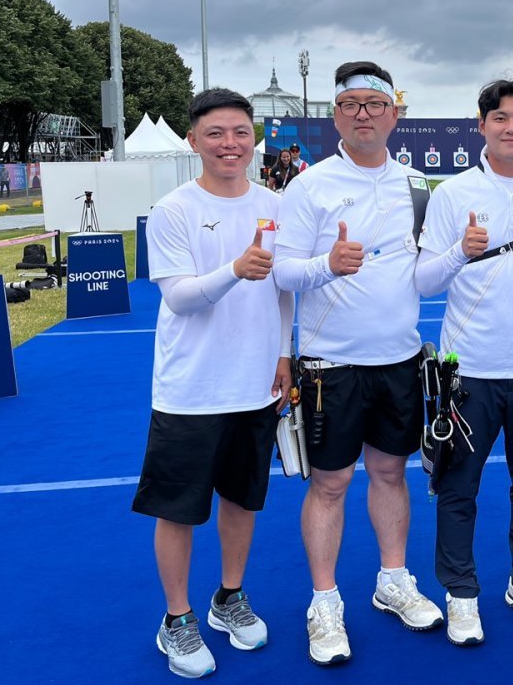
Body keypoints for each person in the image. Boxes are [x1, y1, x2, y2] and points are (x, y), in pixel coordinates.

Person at [274, 61, 443, 666]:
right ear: (336, 116)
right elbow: (283, 271)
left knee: (393, 474)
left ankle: (392, 579)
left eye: (375, 103)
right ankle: (324, 602)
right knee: (331, 482)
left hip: (399, 357)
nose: (364, 114)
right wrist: (329, 264)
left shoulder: (419, 185)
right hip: (331, 363)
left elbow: (423, 272)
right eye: (352, 106)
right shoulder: (309, 186)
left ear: (395, 113)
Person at [131, 88, 295, 679]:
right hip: (190, 390)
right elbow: (178, 296)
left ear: (255, 139)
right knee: (177, 509)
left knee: (242, 499)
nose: (231, 145)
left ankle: (228, 597)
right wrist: (233, 269)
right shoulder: (174, 209)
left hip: (255, 385)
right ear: (195, 140)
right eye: (216, 134)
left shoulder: (274, 202)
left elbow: (281, 292)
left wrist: (283, 354)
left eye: (241, 133)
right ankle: (176, 618)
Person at [414, 78, 513, 646]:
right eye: (500, 117)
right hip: (467, 370)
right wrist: (461, 251)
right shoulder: (451, 194)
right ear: (481, 125)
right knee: (459, 489)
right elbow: (424, 281)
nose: (511, 127)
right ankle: (461, 593)